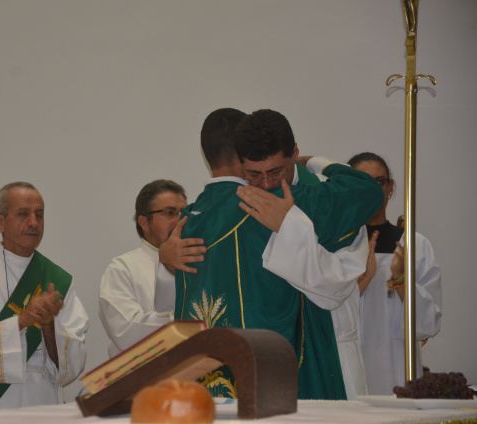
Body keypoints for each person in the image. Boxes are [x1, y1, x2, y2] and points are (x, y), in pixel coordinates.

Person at [158, 108, 384, 400]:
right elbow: (367, 191)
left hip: (212, 387)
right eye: (255, 174)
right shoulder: (285, 202)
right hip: (285, 373)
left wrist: (163, 258)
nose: (266, 184)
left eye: (276, 172)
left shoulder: (185, 222)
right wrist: (316, 163)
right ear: (241, 163)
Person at [0, 182, 89, 412]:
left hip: (42, 402)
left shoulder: (58, 280)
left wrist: (48, 326)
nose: (33, 222)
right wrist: (22, 321)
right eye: (23, 214)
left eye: (39, 215)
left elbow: (71, 365)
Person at [348, 152, 442, 395]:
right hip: (347, 367)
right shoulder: (335, 245)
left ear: (390, 188)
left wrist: (400, 279)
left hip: (396, 368)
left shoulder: (412, 245)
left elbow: (428, 323)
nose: (373, 190)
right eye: (361, 181)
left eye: (379, 182)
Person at [99, 180, 187, 358]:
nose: (180, 220)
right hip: (144, 381)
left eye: (184, 213)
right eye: (169, 213)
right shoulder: (123, 269)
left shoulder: (201, 263)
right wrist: (188, 322)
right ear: (144, 222)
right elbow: (126, 332)